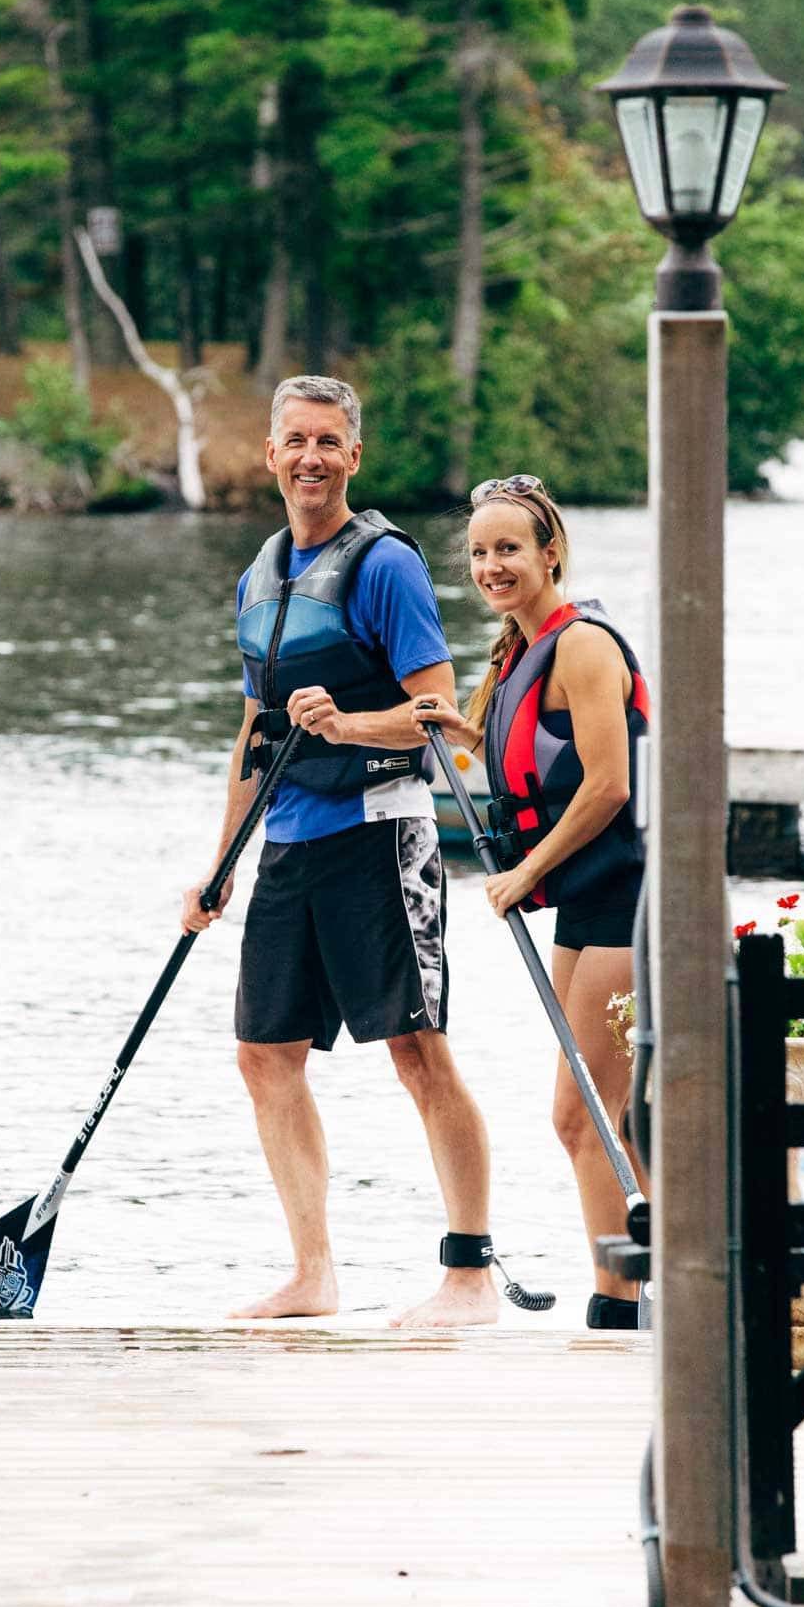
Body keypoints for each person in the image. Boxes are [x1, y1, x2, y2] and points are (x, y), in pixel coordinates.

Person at [182, 375, 499, 1328]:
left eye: (329, 441)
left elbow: (443, 716)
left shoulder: (386, 565)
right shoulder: (261, 571)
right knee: (263, 1054)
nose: (311, 457)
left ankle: (470, 1277)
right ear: (271, 455)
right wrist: (221, 860)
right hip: (286, 842)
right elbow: (254, 731)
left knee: (415, 1049)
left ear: (352, 458)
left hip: (379, 833)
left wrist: (352, 724)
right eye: (296, 441)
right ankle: (312, 1274)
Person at [410, 475, 648, 1330]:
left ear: (551, 552)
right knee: (584, 1116)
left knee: (594, 1116)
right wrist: (473, 733)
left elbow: (610, 786)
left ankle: (626, 1304)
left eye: (508, 549)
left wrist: (522, 872)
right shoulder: (519, 648)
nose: (490, 566)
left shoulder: (582, 644)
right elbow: (544, 759)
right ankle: (634, 1294)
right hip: (587, 905)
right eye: (477, 552)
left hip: (626, 898)